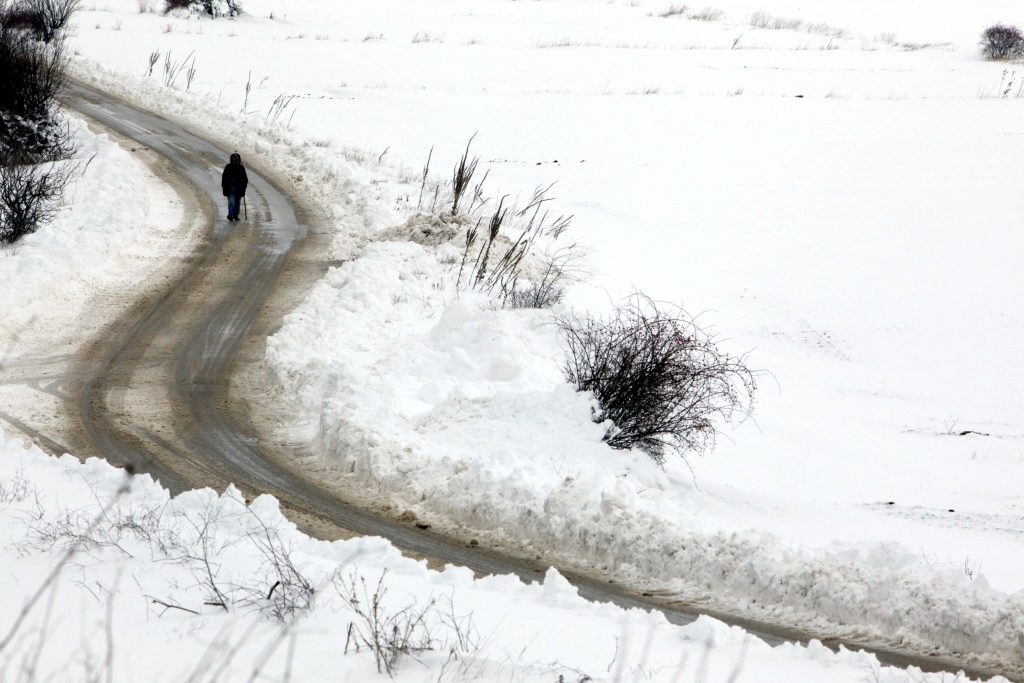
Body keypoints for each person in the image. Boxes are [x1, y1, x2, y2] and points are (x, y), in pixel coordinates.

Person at [221, 152, 248, 221]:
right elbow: (224, 178)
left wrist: (243, 188)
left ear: (238, 159)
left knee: (237, 203)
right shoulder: (228, 167)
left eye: (235, 159)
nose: (233, 160)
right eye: (232, 159)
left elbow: (245, 179)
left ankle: (235, 214)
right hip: (230, 188)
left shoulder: (241, 168)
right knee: (231, 202)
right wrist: (224, 188)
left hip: (238, 189)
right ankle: (230, 215)